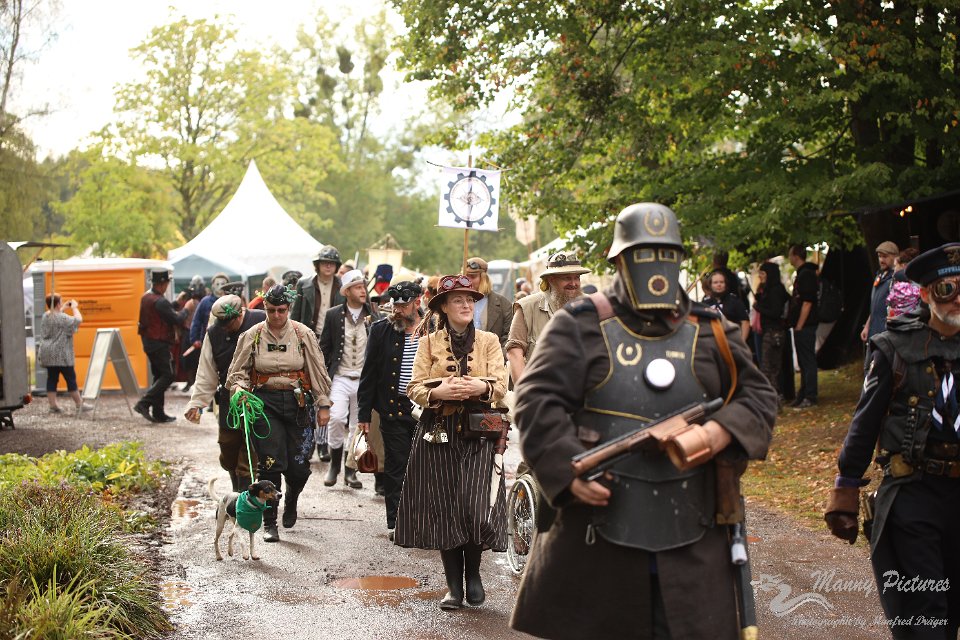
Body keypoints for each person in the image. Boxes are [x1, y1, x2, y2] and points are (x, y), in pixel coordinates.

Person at [510, 203, 776, 640]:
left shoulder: (712, 330)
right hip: (596, 531)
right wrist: (566, 469)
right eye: (642, 254)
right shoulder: (579, 325)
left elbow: (759, 396)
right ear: (618, 261)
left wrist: (719, 430)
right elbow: (537, 401)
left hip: (694, 534)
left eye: (666, 254)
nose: (655, 266)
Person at [825, 243, 960, 639]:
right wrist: (845, 488)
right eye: (947, 289)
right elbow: (865, 422)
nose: (957, 299)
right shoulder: (894, 347)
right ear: (925, 293)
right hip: (914, 492)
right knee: (927, 610)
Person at [394, 274, 509, 611]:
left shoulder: (489, 340)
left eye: (470, 300)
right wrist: (439, 392)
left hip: (480, 430)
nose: (466, 305)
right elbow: (413, 387)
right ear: (443, 307)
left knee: (475, 505)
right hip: (438, 430)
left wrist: (480, 387)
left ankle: (474, 574)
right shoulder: (428, 342)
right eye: (458, 300)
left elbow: (501, 385)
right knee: (444, 506)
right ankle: (453, 587)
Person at [226, 284, 332, 542]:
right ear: (265, 307)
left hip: (298, 403)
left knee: (299, 467)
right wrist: (240, 390)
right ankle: (270, 523)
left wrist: (323, 404)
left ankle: (292, 497)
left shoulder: (302, 334)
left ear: (289, 308)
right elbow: (237, 373)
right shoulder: (252, 335)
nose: (276, 315)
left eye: (281, 310)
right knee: (270, 464)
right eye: (271, 310)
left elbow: (317, 370)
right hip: (265, 404)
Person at [357, 279, 424, 539]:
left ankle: (422, 518)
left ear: (417, 303)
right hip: (393, 408)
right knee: (397, 465)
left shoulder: (433, 328)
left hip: (428, 408)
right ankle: (396, 522)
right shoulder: (380, 330)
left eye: (403, 306)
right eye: (395, 305)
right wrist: (364, 415)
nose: (397, 310)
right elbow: (369, 374)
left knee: (424, 466)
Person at [184, 294, 266, 492]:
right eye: (222, 324)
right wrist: (197, 403)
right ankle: (237, 484)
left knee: (249, 452)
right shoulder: (214, 333)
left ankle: (242, 498)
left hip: (258, 396)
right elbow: (206, 371)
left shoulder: (261, 320)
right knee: (228, 449)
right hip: (229, 397)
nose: (225, 328)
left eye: (228, 324)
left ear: (239, 315)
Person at [318, 269, 381, 490]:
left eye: (363, 287)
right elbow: (324, 348)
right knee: (336, 418)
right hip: (341, 376)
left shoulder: (374, 314)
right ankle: (334, 465)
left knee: (358, 426)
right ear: (346, 292)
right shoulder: (333, 315)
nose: (363, 291)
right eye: (358, 287)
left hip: (365, 379)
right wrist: (322, 377)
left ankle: (350, 470)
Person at [505, 252, 590, 385]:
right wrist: (525, 391)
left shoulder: (591, 305)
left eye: (577, 277)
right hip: (543, 390)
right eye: (567, 278)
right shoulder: (528, 307)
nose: (573, 283)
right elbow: (514, 352)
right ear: (551, 279)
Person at [135, 271, 189, 423]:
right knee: (168, 375)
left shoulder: (147, 297)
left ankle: (158, 412)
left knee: (159, 375)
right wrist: (187, 309)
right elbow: (176, 319)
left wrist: (177, 303)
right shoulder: (160, 301)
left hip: (148, 342)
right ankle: (143, 403)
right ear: (162, 284)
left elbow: (163, 311)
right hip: (159, 343)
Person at [38, 293, 85, 414]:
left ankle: (53, 406)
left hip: (48, 353)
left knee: (52, 379)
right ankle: (79, 404)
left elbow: (56, 317)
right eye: (61, 302)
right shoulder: (62, 317)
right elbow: (78, 320)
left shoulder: (45, 316)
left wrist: (63, 308)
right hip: (62, 355)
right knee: (71, 379)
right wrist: (74, 307)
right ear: (58, 304)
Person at [787, 244, 819, 408]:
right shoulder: (803, 273)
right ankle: (803, 392)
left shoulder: (806, 275)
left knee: (807, 360)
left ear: (795, 256)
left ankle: (810, 395)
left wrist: (800, 324)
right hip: (802, 324)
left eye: (790, 255)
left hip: (806, 324)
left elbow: (807, 302)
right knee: (803, 359)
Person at [753, 261, 790, 403]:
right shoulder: (770, 289)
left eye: (762, 273)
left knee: (769, 367)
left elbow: (775, 312)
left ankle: (772, 398)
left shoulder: (775, 290)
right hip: (771, 331)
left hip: (773, 332)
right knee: (772, 366)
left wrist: (759, 307)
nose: (760, 276)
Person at [460, 257, 513, 351]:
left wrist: (496, 355)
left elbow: (508, 337)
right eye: (465, 277)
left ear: (483, 278)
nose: (468, 281)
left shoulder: (504, 305)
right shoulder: (455, 303)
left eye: (473, 277)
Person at [292, 246, 345, 337]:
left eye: (332, 263)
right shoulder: (303, 284)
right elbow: (295, 314)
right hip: (307, 335)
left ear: (337, 266)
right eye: (325, 263)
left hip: (333, 337)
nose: (328, 266)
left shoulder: (343, 286)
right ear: (318, 264)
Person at [861, 240, 899, 345]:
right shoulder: (879, 276)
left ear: (895, 257)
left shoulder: (896, 279)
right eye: (879, 256)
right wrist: (867, 326)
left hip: (886, 333)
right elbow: (875, 306)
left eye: (885, 256)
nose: (881, 260)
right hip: (874, 331)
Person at [703, 269, 750, 342]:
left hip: (732, 341)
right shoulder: (705, 303)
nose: (719, 285)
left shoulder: (734, 301)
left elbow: (745, 322)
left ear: (725, 284)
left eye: (721, 282)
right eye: (715, 282)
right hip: (712, 342)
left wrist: (742, 342)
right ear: (710, 285)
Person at [189, 272, 229, 354]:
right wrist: (195, 339)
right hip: (208, 341)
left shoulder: (231, 301)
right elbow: (196, 321)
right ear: (212, 286)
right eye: (217, 284)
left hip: (227, 342)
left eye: (223, 284)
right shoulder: (205, 302)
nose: (220, 286)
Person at [886, 247, 921, 320]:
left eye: (895, 265)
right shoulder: (920, 279)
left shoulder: (899, 279)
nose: (894, 269)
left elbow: (891, 305)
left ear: (904, 265)